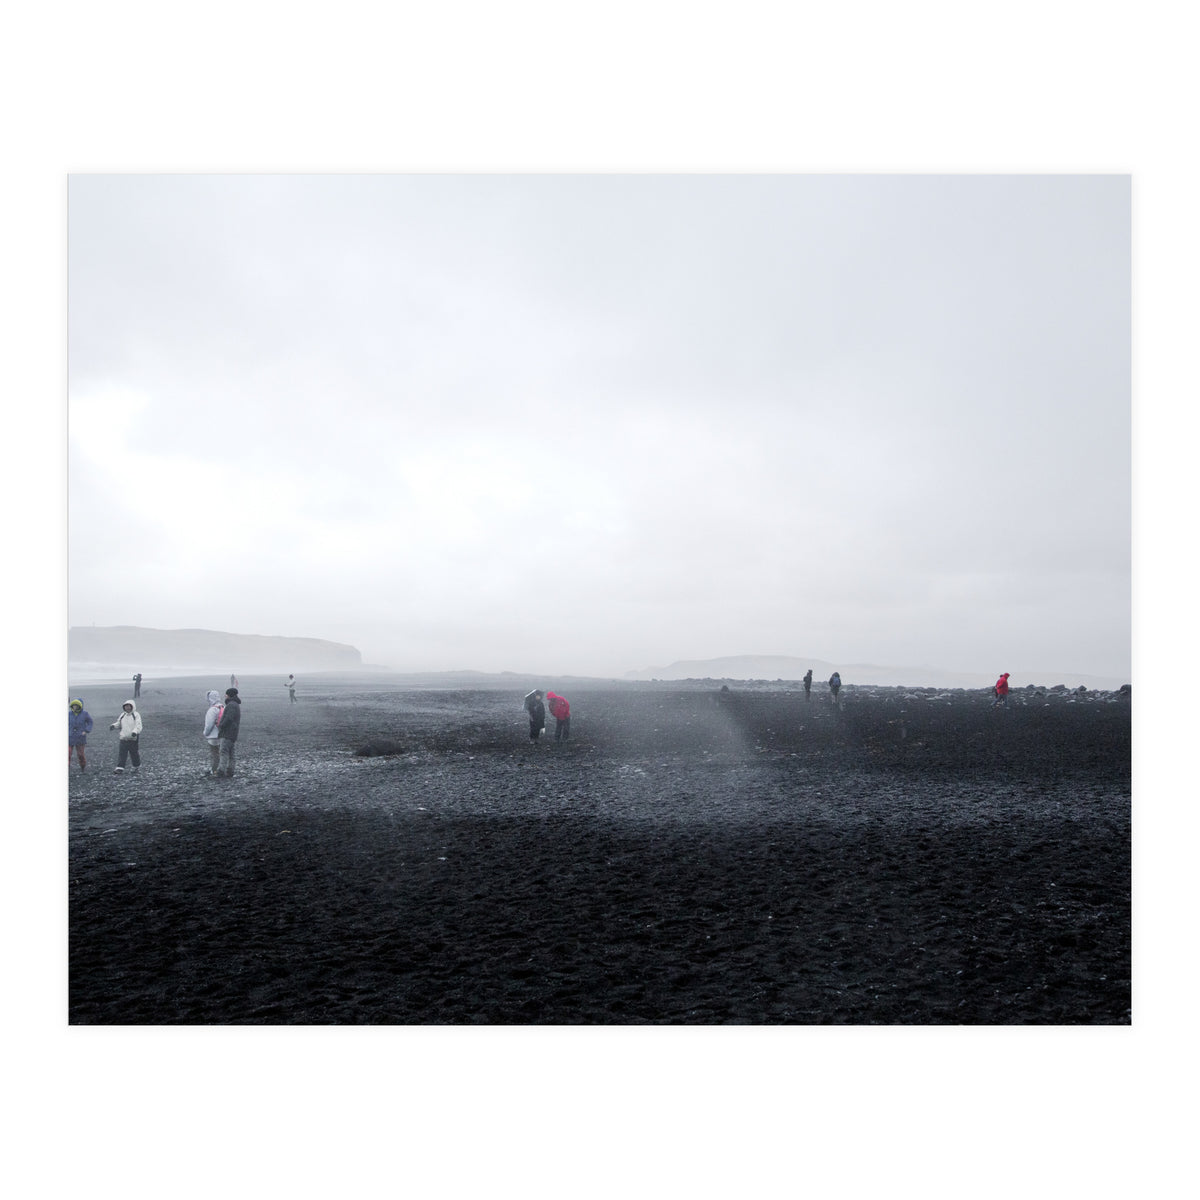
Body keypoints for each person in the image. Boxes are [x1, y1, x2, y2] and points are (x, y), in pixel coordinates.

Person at [110, 700, 142, 773]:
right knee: (122, 753)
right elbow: (119, 723)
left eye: (129, 706)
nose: (127, 708)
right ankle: (120, 768)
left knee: (134, 753)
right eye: (126, 706)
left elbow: (138, 725)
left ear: (132, 707)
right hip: (123, 738)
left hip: (133, 738)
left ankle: (136, 766)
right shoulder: (123, 715)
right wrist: (114, 726)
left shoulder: (136, 715)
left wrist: (135, 732)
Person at [216, 687, 241, 777]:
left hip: (227, 733)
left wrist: (221, 725)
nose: (225, 696)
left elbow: (228, 718)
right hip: (233, 733)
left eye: (226, 694)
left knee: (224, 751)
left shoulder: (231, 705)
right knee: (230, 752)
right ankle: (230, 770)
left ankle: (221, 771)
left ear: (229, 695)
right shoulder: (235, 704)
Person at [68, 698, 93, 771]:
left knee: (80, 754)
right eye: (73, 706)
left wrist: (86, 730)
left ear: (79, 706)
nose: (74, 707)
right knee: (67, 753)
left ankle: (83, 766)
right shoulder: (69, 714)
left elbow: (90, 722)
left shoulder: (85, 714)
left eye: (76, 705)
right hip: (70, 736)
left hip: (80, 737)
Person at [203, 690, 224, 775]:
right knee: (222, 753)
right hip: (222, 735)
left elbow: (209, 725)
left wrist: (205, 733)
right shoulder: (223, 707)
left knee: (214, 754)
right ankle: (222, 769)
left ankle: (214, 770)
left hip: (213, 736)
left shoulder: (212, 710)